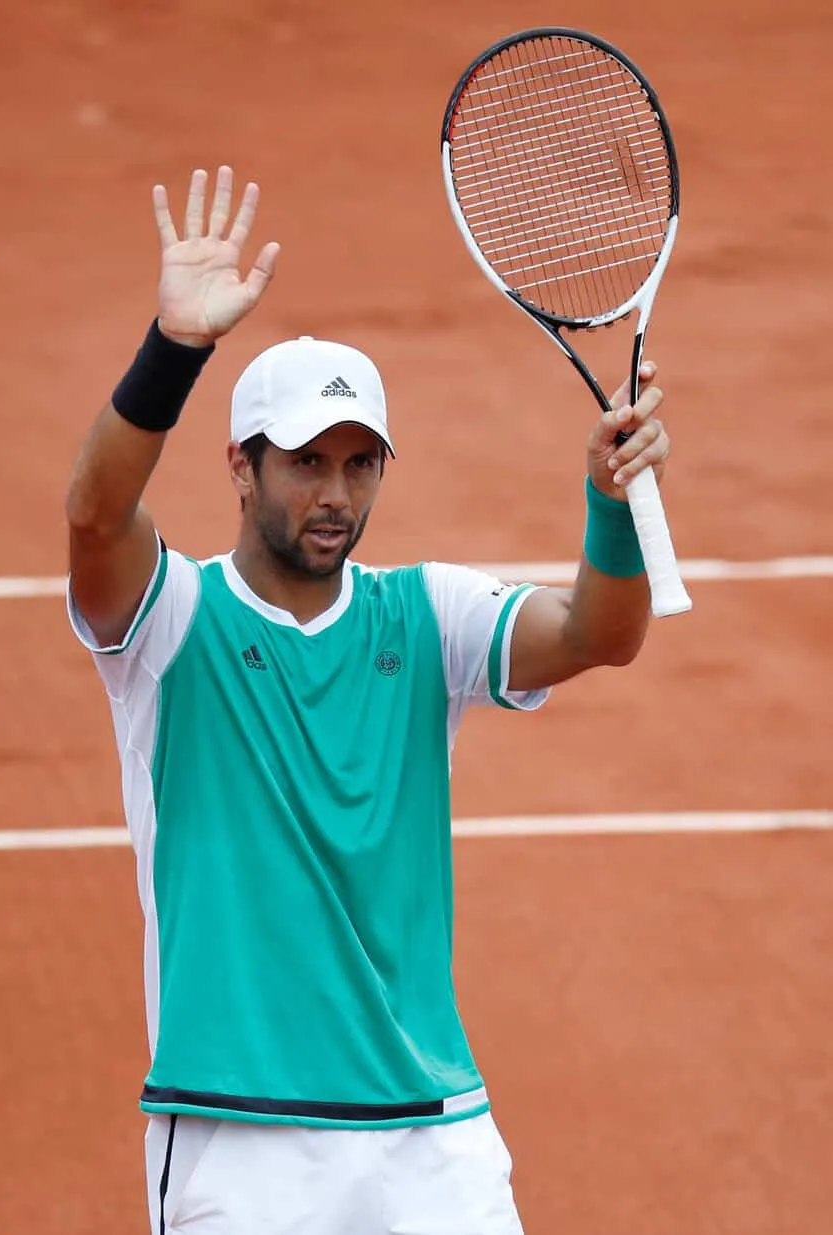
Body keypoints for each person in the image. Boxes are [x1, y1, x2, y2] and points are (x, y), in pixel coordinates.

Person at [65, 166, 671, 1235]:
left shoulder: (424, 615)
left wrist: (610, 507)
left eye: (359, 463)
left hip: (431, 1128)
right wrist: (175, 349)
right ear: (241, 468)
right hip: (239, 1135)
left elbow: (597, 634)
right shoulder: (171, 622)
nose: (336, 494)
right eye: (304, 462)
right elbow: (94, 511)